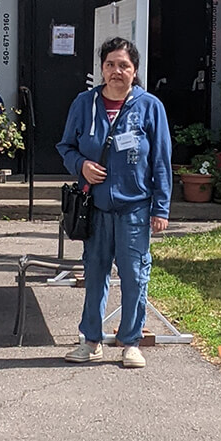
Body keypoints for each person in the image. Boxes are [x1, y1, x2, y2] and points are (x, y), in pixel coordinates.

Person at [56, 37, 172, 369]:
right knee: (95, 272)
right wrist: (81, 166)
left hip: (135, 207)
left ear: (135, 71)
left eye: (124, 65)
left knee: (135, 275)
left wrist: (161, 208)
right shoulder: (84, 103)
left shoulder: (150, 107)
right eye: (110, 64)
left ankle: (130, 342)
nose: (116, 71)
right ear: (102, 69)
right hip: (96, 207)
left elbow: (161, 161)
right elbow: (65, 146)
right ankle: (90, 340)